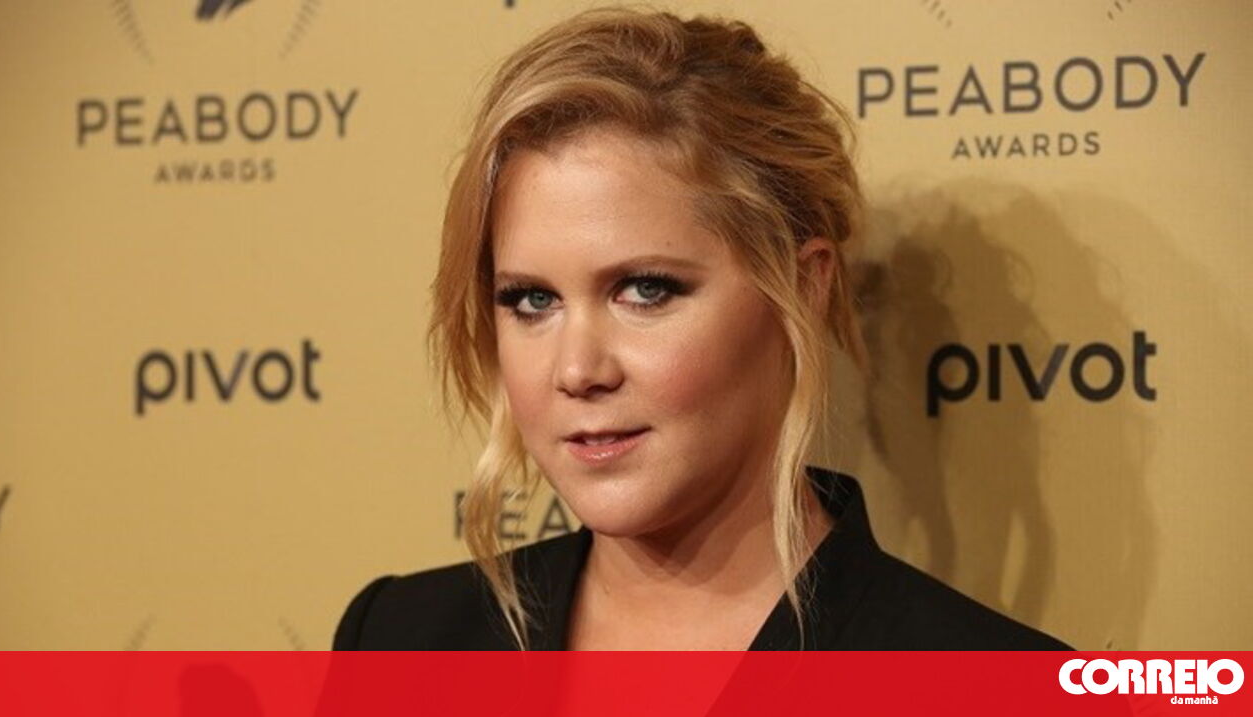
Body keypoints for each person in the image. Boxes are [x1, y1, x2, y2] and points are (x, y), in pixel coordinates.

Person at [333, 7, 1070, 651]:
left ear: (803, 288)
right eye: (531, 300)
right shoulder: (400, 639)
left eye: (645, 290)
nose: (578, 369)